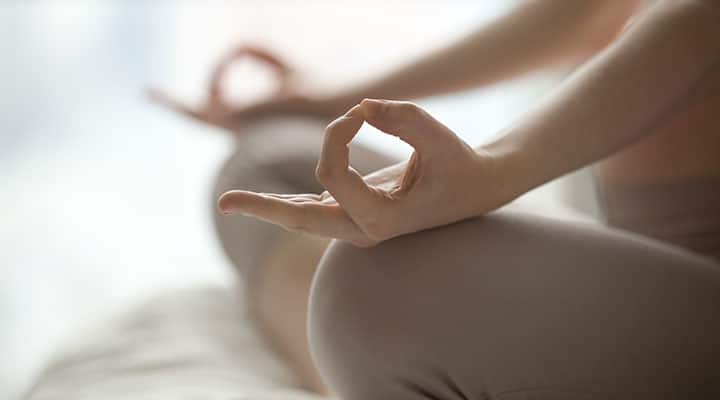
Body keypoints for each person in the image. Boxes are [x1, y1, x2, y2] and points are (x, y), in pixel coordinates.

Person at [152, 0, 720, 398]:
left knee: (371, 286)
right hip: (666, 246)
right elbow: (595, 9)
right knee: (270, 156)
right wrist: (323, 98)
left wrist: (498, 169)